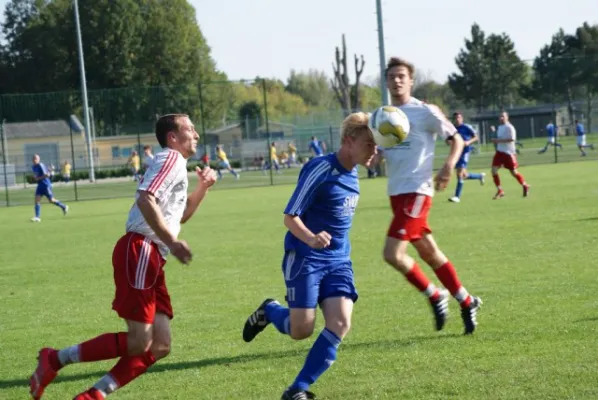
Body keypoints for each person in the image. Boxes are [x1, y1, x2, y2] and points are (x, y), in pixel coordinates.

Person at [29, 114, 217, 400]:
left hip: (153, 256)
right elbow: (145, 199)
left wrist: (202, 189)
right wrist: (173, 242)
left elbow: (178, 217)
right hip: (141, 250)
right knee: (140, 341)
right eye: (190, 129)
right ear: (172, 138)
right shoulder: (171, 159)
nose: (197, 135)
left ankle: (93, 395)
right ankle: (54, 359)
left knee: (160, 346)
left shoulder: (177, 164)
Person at [242, 112, 377, 400]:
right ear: (349, 141)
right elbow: (290, 217)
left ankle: (297, 389)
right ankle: (270, 310)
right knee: (301, 329)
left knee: (340, 323)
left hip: (339, 261)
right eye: (369, 144)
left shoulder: (354, 172)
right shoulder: (320, 168)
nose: (374, 152)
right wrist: (312, 239)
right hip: (306, 257)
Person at [381, 57, 482, 335]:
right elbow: (381, 149)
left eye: (402, 76)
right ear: (387, 82)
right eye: (392, 76)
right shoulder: (383, 114)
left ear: (411, 81)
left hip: (418, 191)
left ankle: (435, 296)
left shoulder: (425, 111)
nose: (397, 80)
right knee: (429, 252)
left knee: (392, 253)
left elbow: (457, 139)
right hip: (396, 194)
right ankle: (467, 300)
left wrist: (448, 166)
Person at [491, 111, 530, 199]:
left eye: (503, 116)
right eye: (500, 116)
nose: (501, 118)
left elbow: (512, 139)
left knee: (514, 172)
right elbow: (500, 139)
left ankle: (525, 185)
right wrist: (495, 137)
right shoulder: (500, 127)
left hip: (509, 153)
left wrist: (498, 141)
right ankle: (500, 190)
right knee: (493, 170)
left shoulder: (510, 127)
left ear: (507, 117)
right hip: (500, 152)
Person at [449, 112, 485, 203]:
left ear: (462, 118)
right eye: (456, 118)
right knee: (464, 175)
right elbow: (449, 140)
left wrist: (468, 142)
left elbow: (476, 137)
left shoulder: (466, 127)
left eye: (459, 117)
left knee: (459, 174)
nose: (457, 119)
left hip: (465, 152)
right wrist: (450, 143)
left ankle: (457, 196)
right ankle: (479, 176)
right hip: (457, 152)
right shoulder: (452, 129)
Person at [30, 154, 69, 222]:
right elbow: (37, 175)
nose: (35, 160)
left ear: (39, 159)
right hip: (40, 185)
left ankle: (64, 206)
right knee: (37, 200)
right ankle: (37, 217)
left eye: (36, 159)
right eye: (34, 159)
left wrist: (38, 178)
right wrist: (35, 177)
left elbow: (47, 175)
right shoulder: (33, 167)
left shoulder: (40, 165)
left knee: (51, 200)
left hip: (46, 185)